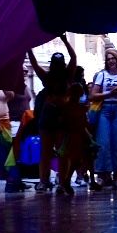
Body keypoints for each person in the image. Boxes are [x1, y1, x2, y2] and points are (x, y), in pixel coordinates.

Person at [25, 40, 84, 196]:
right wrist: (28, 48)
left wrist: (65, 40)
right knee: (49, 150)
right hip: (50, 116)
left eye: (59, 64)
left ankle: (61, 181)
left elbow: (73, 57)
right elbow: (35, 64)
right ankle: (46, 181)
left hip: (60, 116)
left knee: (61, 151)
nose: (58, 66)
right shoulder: (51, 77)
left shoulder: (64, 76)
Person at [87, 47, 117, 189]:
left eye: (113, 58)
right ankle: (102, 175)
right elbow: (92, 95)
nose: (111, 61)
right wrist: (110, 93)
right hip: (105, 109)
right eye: (108, 59)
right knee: (103, 142)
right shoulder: (102, 75)